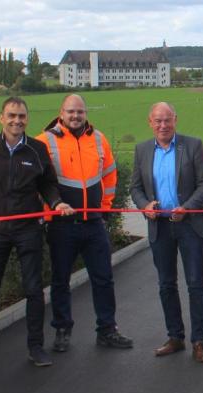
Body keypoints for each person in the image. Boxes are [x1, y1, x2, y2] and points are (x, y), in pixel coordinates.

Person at [0, 96, 74, 367]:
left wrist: (57, 202)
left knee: (33, 290)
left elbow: (48, 185)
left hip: (28, 229)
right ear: (1, 118)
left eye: (21, 116)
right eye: (11, 115)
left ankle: (35, 347)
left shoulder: (37, 149)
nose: (16, 121)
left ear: (27, 119)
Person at [36, 94, 133, 353]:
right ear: (61, 112)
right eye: (71, 112)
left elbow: (110, 173)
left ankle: (107, 329)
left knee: (103, 278)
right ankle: (62, 329)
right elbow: (38, 183)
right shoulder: (44, 141)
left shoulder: (98, 139)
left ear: (85, 113)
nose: (76, 116)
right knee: (60, 281)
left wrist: (106, 207)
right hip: (61, 225)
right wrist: (47, 213)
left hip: (94, 223)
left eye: (80, 111)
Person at [130, 102, 203, 362]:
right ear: (150, 122)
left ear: (175, 120)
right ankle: (175, 336)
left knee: (195, 284)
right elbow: (135, 188)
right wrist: (144, 205)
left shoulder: (192, 145)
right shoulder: (142, 150)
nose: (163, 125)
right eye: (158, 121)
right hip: (160, 227)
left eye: (167, 120)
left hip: (189, 225)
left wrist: (187, 208)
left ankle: (199, 342)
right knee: (166, 284)